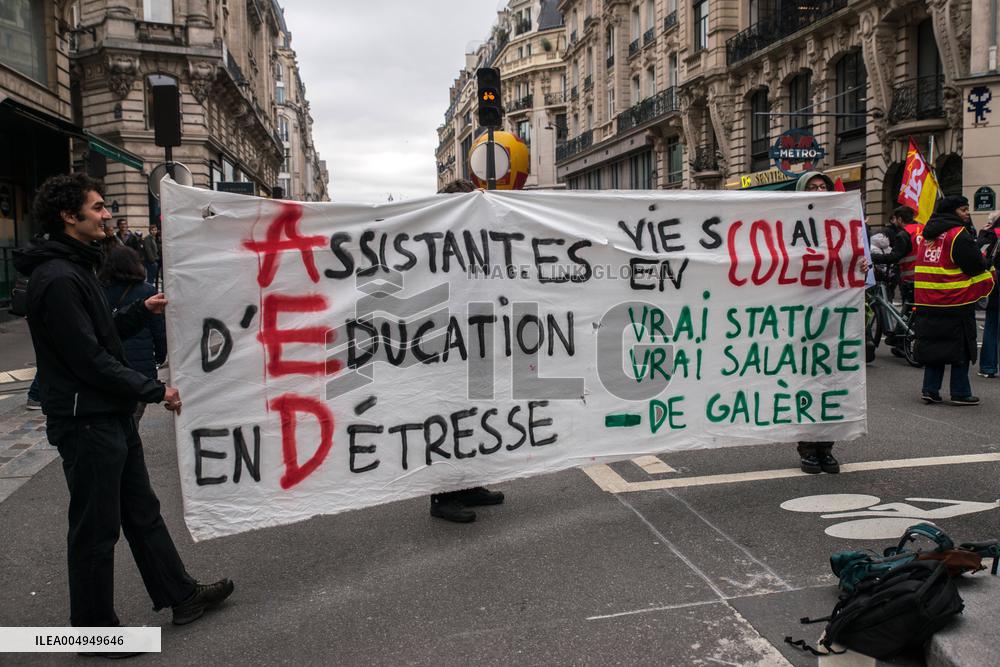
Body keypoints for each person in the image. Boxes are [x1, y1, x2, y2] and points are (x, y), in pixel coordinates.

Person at [12, 173, 233, 640]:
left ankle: (182, 596)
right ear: (69, 217)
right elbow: (86, 358)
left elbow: (99, 334)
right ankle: (93, 632)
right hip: (86, 420)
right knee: (96, 530)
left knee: (141, 512)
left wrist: (139, 312)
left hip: (106, 414)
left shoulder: (76, 267)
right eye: (97, 208)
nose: (108, 213)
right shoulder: (57, 277)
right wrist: (154, 390)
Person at [429, 178, 505, 521]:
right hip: (447, 344)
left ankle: (469, 484)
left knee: (476, 415)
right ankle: (442, 497)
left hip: (477, 338)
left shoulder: (478, 236)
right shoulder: (432, 240)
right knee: (449, 417)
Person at [913, 196, 995, 405]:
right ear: (951, 212)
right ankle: (960, 392)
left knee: (934, 344)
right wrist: (989, 267)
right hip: (955, 300)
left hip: (927, 300)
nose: (967, 213)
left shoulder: (926, 234)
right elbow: (976, 263)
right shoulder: (958, 234)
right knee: (961, 348)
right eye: (963, 209)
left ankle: (930, 389)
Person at [100, 246, 167, 423]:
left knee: (115, 419)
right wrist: (160, 355)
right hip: (140, 364)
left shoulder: (99, 290)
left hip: (109, 362)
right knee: (133, 419)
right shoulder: (147, 291)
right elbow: (158, 328)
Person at [872, 206, 919, 357]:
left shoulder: (904, 234)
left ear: (899, 219)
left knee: (906, 311)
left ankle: (901, 340)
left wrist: (873, 258)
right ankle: (900, 342)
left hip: (910, 277)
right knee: (911, 312)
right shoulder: (924, 229)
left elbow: (894, 257)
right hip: (928, 277)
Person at [977, 211, 1000, 378]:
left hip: (995, 277)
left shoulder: (991, 233)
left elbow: (980, 254)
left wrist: (983, 233)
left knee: (991, 323)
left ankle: (988, 366)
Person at [142, 223, 160, 289]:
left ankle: (153, 289)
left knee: (154, 278)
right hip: (150, 261)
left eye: (155, 230)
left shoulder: (156, 238)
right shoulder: (147, 238)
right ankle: (149, 290)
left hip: (156, 260)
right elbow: (148, 250)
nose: (154, 231)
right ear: (149, 230)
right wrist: (152, 261)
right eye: (152, 230)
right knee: (150, 278)